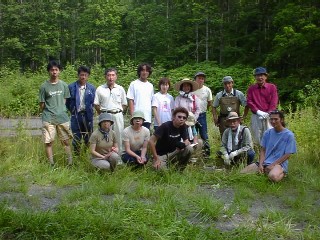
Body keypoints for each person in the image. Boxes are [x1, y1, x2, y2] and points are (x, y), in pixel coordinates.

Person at [241, 110, 297, 182]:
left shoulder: (289, 135)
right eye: (271, 119)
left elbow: (288, 154)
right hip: (265, 161)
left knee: (273, 177)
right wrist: (261, 164)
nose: (273, 121)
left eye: (276, 119)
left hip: (279, 164)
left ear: (281, 120)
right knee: (242, 173)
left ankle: (282, 173)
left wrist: (273, 165)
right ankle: (264, 170)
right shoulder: (267, 133)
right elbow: (263, 150)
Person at [39, 60, 73, 166]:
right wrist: (49, 110)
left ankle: (70, 162)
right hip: (48, 118)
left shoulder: (64, 85)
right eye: (52, 70)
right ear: (49, 71)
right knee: (49, 142)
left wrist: (60, 109)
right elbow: (42, 104)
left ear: (59, 71)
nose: (54, 72)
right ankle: (51, 164)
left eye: (56, 70)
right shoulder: (44, 86)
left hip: (62, 117)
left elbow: (65, 100)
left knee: (66, 141)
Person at [94, 68, 127, 154]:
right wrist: (103, 114)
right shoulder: (100, 89)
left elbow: (124, 104)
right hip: (105, 115)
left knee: (118, 135)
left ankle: (119, 157)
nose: (110, 77)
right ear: (105, 77)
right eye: (108, 75)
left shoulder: (120, 89)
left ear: (116, 77)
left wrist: (118, 112)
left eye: (113, 75)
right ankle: (104, 156)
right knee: (104, 136)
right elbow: (96, 104)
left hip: (117, 115)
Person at [66, 66, 96, 155]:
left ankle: (86, 155)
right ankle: (77, 156)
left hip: (88, 115)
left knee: (88, 137)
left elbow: (94, 101)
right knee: (76, 137)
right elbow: (67, 102)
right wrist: (72, 110)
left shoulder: (91, 88)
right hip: (76, 115)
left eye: (85, 75)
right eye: (81, 75)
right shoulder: (71, 87)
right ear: (78, 75)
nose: (83, 77)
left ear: (88, 76)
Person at [247, 67, 278, 144]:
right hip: (256, 116)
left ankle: (270, 153)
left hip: (270, 116)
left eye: (262, 75)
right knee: (256, 137)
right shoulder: (251, 88)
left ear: (266, 76)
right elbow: (249, 101)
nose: (260, 77)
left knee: (270, 136)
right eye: (257, 75)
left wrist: (269, 113)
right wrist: (258, 111)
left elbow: (274, 101)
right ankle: (258, 154)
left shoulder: (272, 87)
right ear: (255, 77)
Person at [127, 63, 154, 129]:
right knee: (135, 137)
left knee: (146, 137)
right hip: (137, 116)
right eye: (143, 70)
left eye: (147, 70)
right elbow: (131, 100)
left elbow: (151, 101)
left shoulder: (150, 86)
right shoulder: (133, 84)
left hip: (147, 117)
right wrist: (132, 116)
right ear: (139, 72)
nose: (145, 72)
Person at [193, 72, 213, 157]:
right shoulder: (192, 89)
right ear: (195, 79)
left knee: (204, 134)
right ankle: (193, 154)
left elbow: (209, 102)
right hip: (192, 115)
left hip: (202, 115)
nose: (200, 80)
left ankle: (207, 154)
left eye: (202, 78)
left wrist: (205, 110)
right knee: (193, 134)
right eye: (199, 78)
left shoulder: (207, 90)